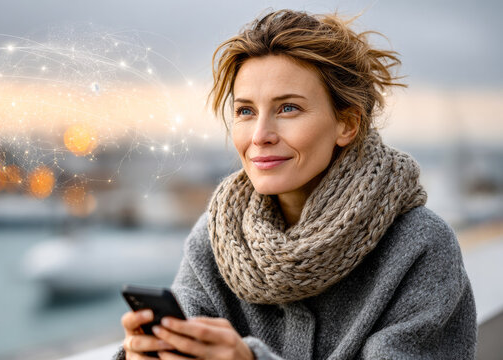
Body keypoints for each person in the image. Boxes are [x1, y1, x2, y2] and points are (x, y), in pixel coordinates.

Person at [115, 9, 477, 360]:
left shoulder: (420, 246)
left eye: (288, 108)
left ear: (347, 124)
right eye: (245, 111)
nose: (260, 136)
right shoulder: (217, 236)